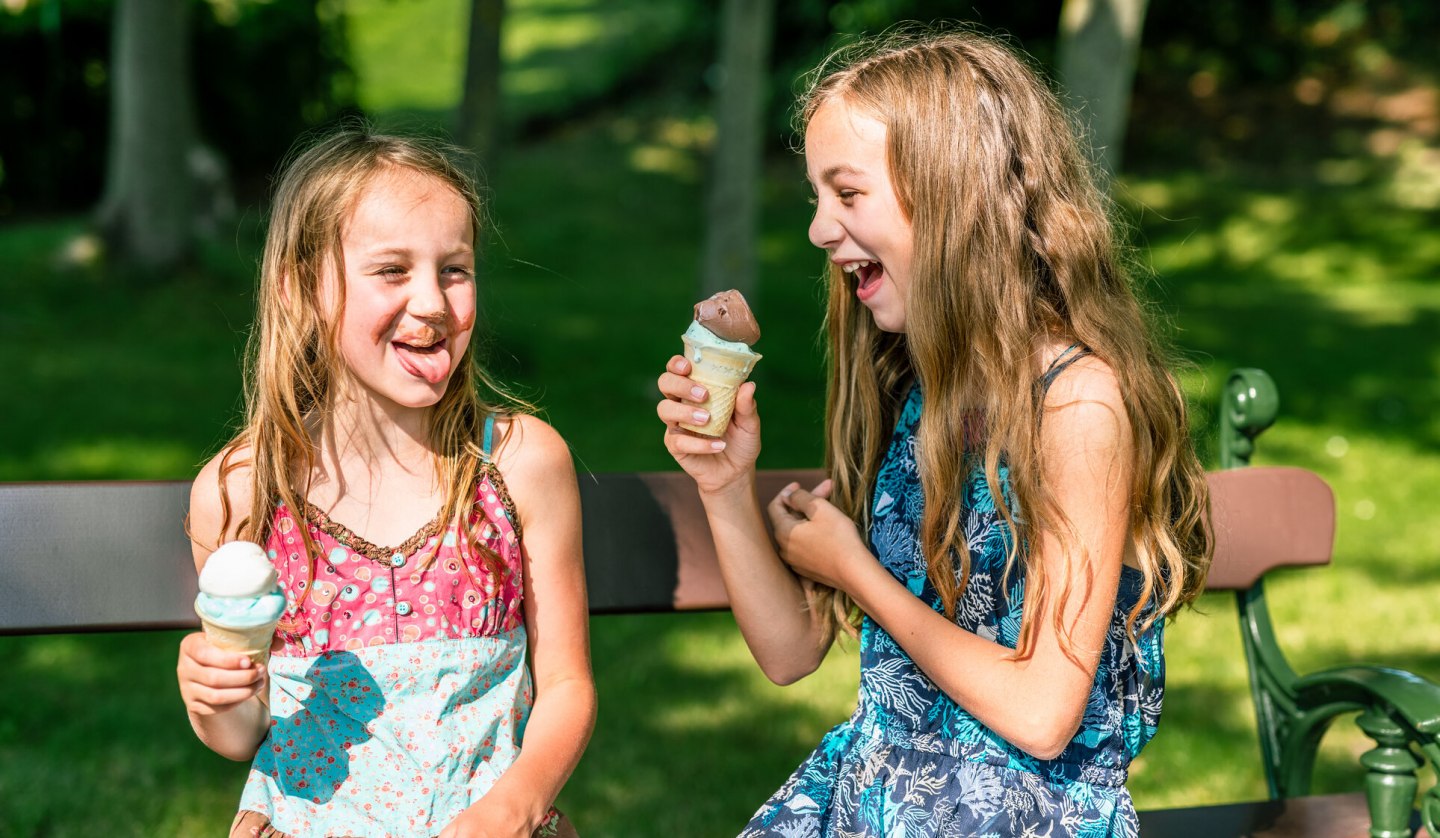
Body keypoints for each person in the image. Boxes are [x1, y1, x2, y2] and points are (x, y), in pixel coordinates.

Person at [656, 27, 1212, 837]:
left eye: (847, 195)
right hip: (875, 794)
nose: (818, 228)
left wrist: (857, 573)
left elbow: (1043, 710)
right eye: (818, 197)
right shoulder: (917, 388)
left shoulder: (1078, 407)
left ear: (955, 197)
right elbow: (787, 652)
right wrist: (723, 482)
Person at [176, 126, 595, 838]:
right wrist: (215, 701)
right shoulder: (246, 490)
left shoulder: (521, 464)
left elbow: (565, 685)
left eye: (454, 269)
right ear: (302, 288)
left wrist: (515, 803)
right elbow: (247, 736)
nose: (432, 302)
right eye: (393, 270)